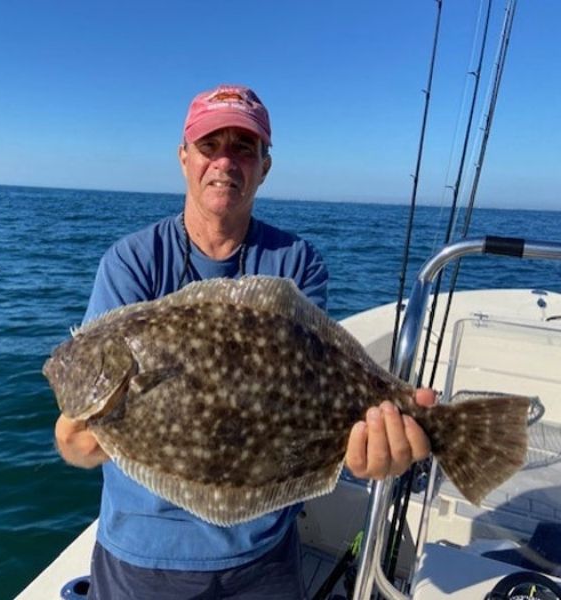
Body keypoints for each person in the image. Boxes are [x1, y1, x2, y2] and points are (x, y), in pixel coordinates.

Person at [54, 84, 434, 599]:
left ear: (264, 166)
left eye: (244, 147)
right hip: (142, 554)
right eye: (210, 145)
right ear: (184, 156)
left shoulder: (297, 261)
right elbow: (76, 441)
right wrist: (76, 436)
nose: (225, 162)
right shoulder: (131, 262)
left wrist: (367, 446)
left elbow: (305, 389)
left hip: (263, 552)